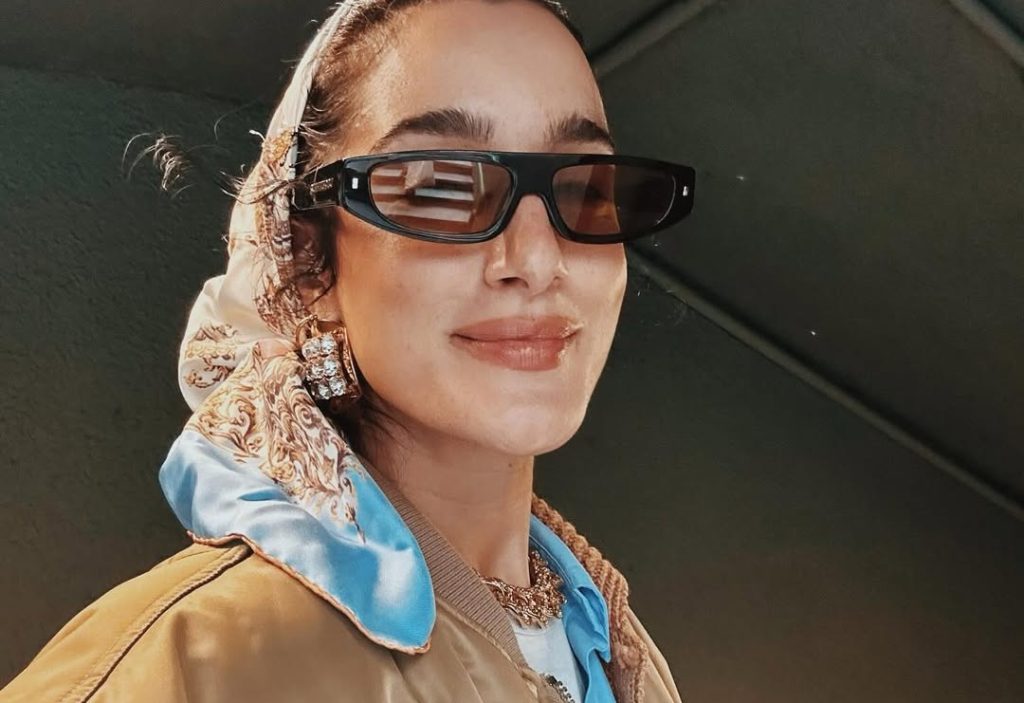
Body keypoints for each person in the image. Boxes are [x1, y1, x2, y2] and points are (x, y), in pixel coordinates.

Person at [0, 0, 695, 701]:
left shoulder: (619, 655)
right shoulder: (191, 668)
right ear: (307, 261)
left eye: (585, 185)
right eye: (441, 188)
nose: (538, 260)